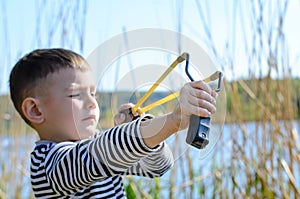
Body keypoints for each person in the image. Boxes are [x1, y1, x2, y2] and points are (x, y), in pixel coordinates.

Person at [9, 48, 217, 198]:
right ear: (35, 110)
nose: (92, 103)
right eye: (75, 95)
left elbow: (158, 167)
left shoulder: (104, 149)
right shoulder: (47, 164)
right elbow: (96, 156)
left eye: (93, 94)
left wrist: (139, 130)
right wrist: (171, 122)